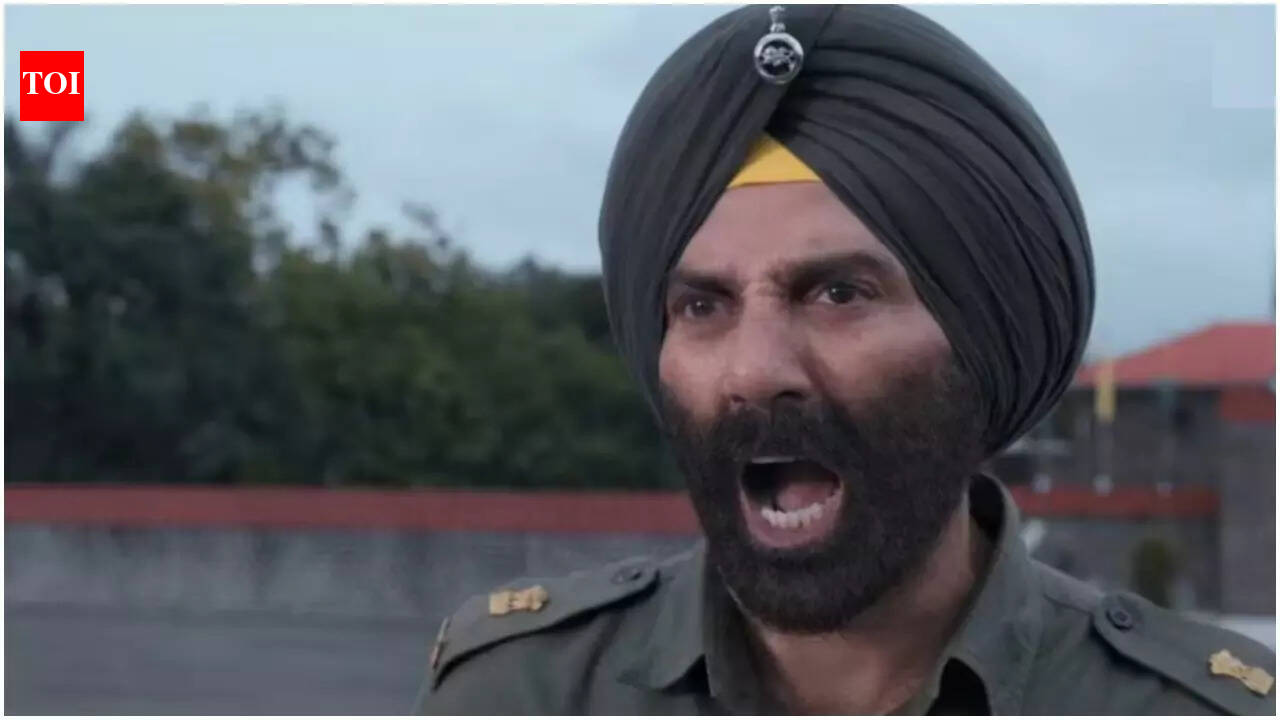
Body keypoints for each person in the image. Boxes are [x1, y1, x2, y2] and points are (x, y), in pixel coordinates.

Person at [415, 5, 1275, 714]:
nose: (756, 372)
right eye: (703, 306)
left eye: (838, 294)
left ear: (980, 340)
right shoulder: (519, 693)